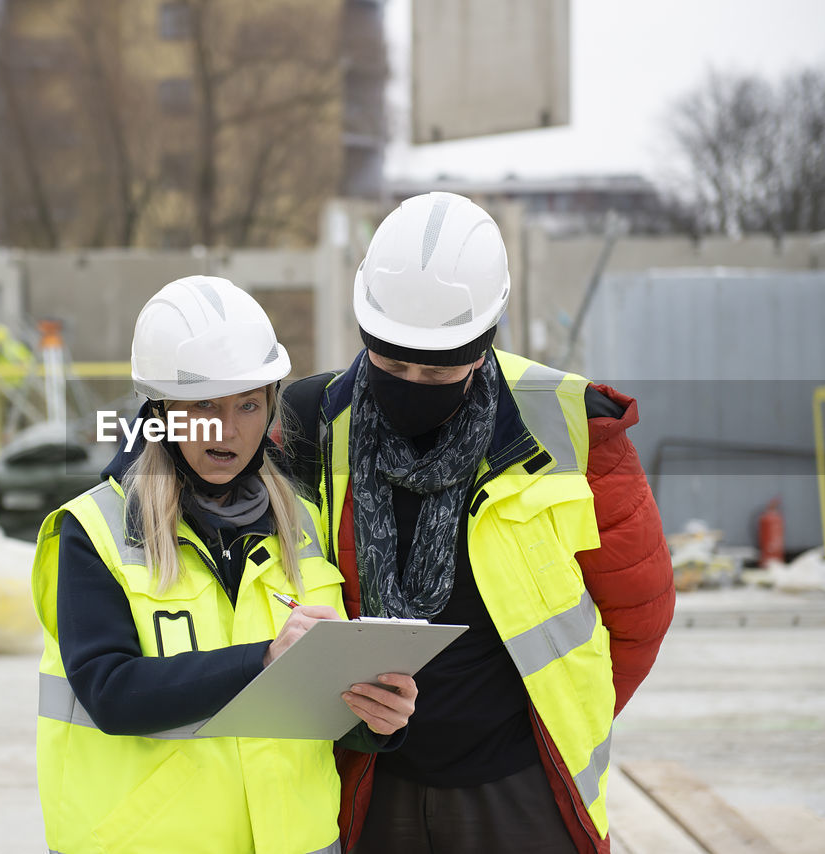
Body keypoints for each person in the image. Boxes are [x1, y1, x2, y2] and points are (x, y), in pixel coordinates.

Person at [278, 193, 675, 854]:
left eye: (437, 369)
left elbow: (640, 612)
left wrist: (561, 722)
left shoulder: (570, 425)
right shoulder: (314, 419)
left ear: (486, 340)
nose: (412, 383)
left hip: (520, 793)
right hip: (373, 783)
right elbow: (281, 570)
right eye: (392, 364)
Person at [30, 275, 419, 854]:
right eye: (205, 406)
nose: (228, 430)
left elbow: (319, 694)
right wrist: (261, 659)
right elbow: (109, 692)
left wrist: (375, 718)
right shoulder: (97, 531)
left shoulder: (303, 523)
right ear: (160, 411)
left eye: (247, 405)